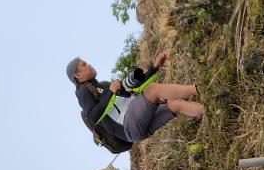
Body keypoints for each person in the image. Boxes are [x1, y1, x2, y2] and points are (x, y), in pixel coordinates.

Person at [69, 58, 200, 152]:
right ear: (77, 75)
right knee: (153, 90)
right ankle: (199, 88)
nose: (89, 64)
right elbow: (94, 116)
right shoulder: (82, 92)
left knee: (176, 104)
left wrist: (154, 68)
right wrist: (111, 91)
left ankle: (208, 111)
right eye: (84, 65)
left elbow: (135, 89)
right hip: (128, 125)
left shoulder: (102, 85)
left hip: (137, 127)